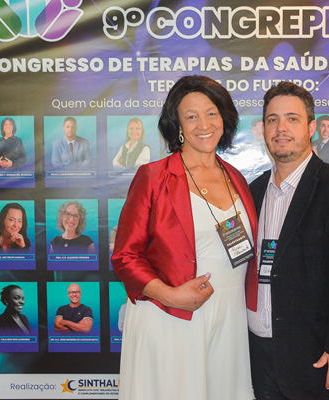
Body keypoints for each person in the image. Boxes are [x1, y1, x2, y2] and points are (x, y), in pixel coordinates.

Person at [111, 75, 259, 400]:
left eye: (211, 113)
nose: (203, 124)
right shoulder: (153, 177)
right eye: (191, 116)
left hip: (230, 318)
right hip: (171, 318)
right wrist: (170, 296)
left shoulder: (236, 178)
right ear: (177, 125)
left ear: (224, 118)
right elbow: (125, 256)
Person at [248, 81, 329, 400]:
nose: (281, 128)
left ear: (310, 127)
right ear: (263, 129)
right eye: (272, 119)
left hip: (321, 362)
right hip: (258, 361)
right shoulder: (252, 192)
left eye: (292, 119)